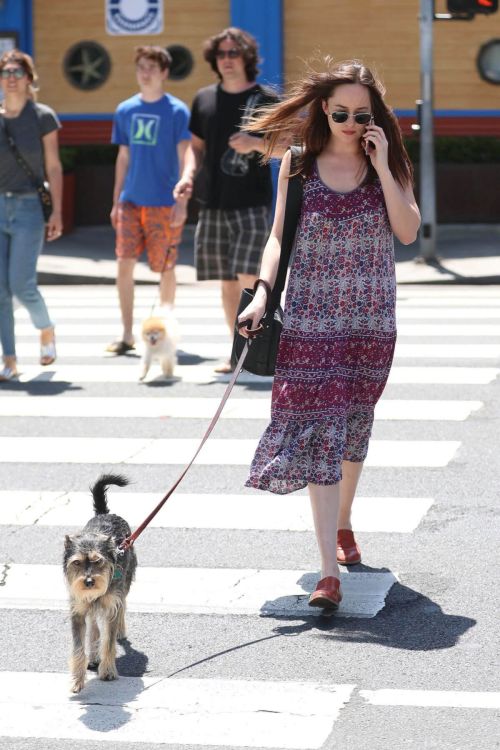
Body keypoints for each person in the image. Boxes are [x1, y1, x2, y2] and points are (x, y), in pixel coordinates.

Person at [238, 59, 421, 609]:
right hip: (312, 319)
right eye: (339, 111)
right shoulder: (296, 164)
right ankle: (326, 572)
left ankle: (342, 521)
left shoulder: (389, 162)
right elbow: (277, 238)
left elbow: (408, 232)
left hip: (369, 321)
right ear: (323, 108)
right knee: (321, 431)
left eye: (360, 114)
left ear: (374, 117)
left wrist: (384, 164)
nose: (348, 120)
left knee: (352, 426)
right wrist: (265, 292)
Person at [174, 27, 284, 373]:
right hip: (212, 202)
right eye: (221, 54)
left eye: (233, 53)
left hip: (252, 202)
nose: (227, 59)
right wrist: (187, 175)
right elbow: (195, 147)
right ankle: (236, 352)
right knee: (225, 282)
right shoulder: (204, 98)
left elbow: (287, 148)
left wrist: (254, 144)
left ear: (247, 57)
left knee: (249, 280)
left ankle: (258, 349)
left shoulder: (265, 98)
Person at [107, 46, 191, 355]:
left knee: (165, 267)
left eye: (152, 67)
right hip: (131, 201)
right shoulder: (125, 109)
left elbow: (185, 156)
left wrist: (183, 201)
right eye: (141, 66)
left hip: (164, 202)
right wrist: (116, 200)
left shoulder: (177, 111)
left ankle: (165, 329)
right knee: (123, 264)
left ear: (165, 72)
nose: (146, 73)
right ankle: (128, 334)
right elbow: (123, 157)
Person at [0, 49, 62, 381]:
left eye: (17, 72)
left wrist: (57, 211)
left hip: (28, 208)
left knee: (21, 285)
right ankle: (9, 359)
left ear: (28, 78)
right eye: (5, 72)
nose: (10, 78)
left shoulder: (42, 116)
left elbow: (53, 165)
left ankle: (46, 328)